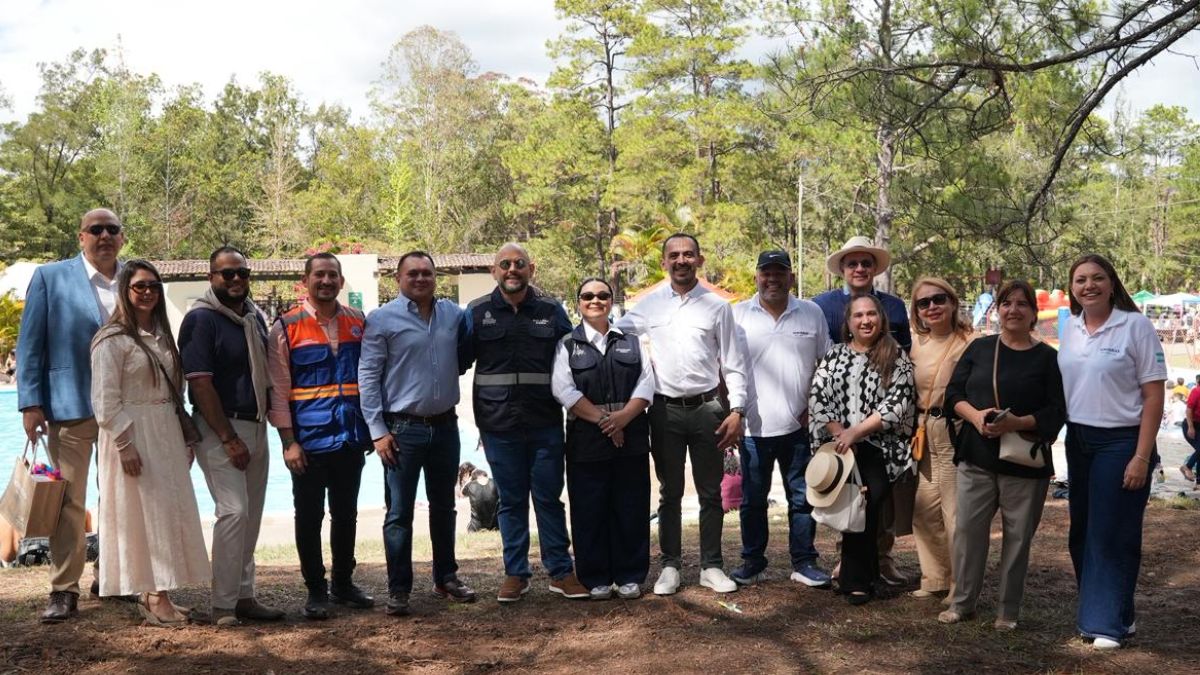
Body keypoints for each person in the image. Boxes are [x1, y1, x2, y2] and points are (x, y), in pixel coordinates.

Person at [615, 233, 749, 595]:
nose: (681, 261)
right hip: (663, 410)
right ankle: (670, 565)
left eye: (688, 255)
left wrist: (737, 410)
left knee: (710, 492)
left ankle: (711, 565)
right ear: (664, 263)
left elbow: (734, 362)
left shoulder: (717, 306)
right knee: (669, 491)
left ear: (699, 260)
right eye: (674, 255)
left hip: (708, 408)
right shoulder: (649, 306)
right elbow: (614, 337)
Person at [460, 243, 588, 602]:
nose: (512, 269)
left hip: (545, 423)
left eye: (519, 264)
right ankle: (516, 574)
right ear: (494, 271)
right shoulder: (477, 312)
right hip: (498, 426)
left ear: (531, 269)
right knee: (512, 501)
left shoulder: (551, 312)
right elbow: (455, 360)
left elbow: (573, 362)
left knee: (548, 498)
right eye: (505, 264)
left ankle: (561, 571)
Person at [16, 208, 124, 623]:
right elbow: (30, 344)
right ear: (81, 236)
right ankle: (64, 589)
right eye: (95, 229)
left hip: (123, 410)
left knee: (119, 498)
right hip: (69, 404)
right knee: (69, 502)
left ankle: (113, 577)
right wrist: (31, 403)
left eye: (111, 229)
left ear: (122, 237)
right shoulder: (51, 277)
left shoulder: (135, 279)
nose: (103, 236)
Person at [938, 280, 1065, 630]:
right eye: (1006, 303)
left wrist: (1016, 422)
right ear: (997, 311)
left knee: (1018, 537)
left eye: (1022, 304)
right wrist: (977, 417)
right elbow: (952, 395)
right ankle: (963, 602)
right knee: (967, 532)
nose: (1013, 310)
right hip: (977, 457)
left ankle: (1008, 609)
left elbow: (1057, 411)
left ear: (1033, 314)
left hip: (1024, 464)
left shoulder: (1048, 359)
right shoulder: (980, 349)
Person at [90, 260, 210, 625]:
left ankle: (161, 591)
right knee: (141, 514)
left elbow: (175, 391)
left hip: (165, 431)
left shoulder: (162, 335)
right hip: (133, 433)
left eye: (153, 286)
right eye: (139, 286)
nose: (147, 292)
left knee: (167, 509)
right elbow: (105, 399)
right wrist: (125, 445)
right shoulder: (111, 340)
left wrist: (183, 438)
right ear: (125, 291)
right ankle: (153, 595)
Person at [1058, 254, 1166, 650]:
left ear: (1112, 283)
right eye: (1081, 279)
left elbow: (1154, 395)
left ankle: (1103, 625)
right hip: (1079, 440)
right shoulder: (1070, 328)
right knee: (1081, 533)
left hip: (1122, 441)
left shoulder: (1134, 326)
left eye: (1097, 278)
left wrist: (1141, 456)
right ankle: (1119, 612)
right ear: (1072, 287)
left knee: (1111, 534)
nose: (1089, 285)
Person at [360, 251, 476, 616]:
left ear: (435, 277)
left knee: (445, 507)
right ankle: (399, 589)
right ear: (398, 278)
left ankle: (446, 577)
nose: (421, 278)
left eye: (427, 273)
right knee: (399, 513)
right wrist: (378, 431)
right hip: (402, 430)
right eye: (413, 273)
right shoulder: (381, 319)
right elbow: (368, 377)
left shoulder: (453, 315)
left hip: (445, 426)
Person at [179, 246, 283, 627]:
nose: (236, 279)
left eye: (242, 272)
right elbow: (200, 384)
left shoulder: (252, 317)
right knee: (233, 511)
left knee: (251, 517)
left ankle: (244, 596)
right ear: (211, 278)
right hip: (220, 429)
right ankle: (222, 605)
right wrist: (227, 437)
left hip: (256, 425)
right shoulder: (201, 320)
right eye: (227, 274)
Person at [267, 253, 374, 620]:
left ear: (341, 282)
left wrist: (372, 431)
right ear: (306, 281)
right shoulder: (286, 327)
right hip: (309, 443)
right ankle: (316, 589)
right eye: (319, 275)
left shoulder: (359, 323)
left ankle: (343, 584)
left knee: (346, 515)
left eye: (332, 275)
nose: (326, 281)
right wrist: (288, 442)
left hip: (349, 438)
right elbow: (278, 390)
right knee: (309, 517)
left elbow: (371, 381)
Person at [811, 235, 913, 587]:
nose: (865, 320)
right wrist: (840, 432)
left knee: (876, 503)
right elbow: (819, 395)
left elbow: (900, 396)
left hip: (880, 442)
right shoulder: (825, 320)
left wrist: (859, 431)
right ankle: (855, 575)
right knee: (850, 503)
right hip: (842, 441)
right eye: (851, 263)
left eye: (865, 263)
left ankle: (876, 566)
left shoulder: (895, 332)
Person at [730, 250, 833, 588]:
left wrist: (815, 409)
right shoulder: (737, 315)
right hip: (752, 428)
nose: (772, 279)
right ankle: (753, 561)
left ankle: (803, 562)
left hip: (798, 427)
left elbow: (826, 367)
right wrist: (732, 412)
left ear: (791, 276)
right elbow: (724, 368)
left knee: (802, 499)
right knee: (752, 501)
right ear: (757, 276)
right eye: (766, 272)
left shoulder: (811, 313)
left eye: (780, 272)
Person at [552, 277, 655, 600]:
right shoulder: (568, 344)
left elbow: (646, 383)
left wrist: (623, 418)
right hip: (587, 439)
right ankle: (595, 576)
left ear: (612, 300)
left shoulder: (632, 341)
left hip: (632, 436)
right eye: (587, 296)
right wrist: (607, 422)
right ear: (578, 302)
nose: (595, 300)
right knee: (589, 508)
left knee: (631, 506)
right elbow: (563, 389)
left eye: (602, 295)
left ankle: (629, 574)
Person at [907, 278, 974, 601]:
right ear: (916, 311)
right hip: (921, 430)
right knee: (924, 509)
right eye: (924, 303)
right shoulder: (914, 343)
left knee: (955, 512)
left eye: (939, 299)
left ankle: (961, 585)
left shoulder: (970, 342)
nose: (932, 307)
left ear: (952, 302)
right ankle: (934, 577)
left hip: (953, 431)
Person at [458, 463, 499, 532]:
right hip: (495, 526)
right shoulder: (495, 482)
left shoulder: (471, 485)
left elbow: (461, 494)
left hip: (475, 528)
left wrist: (469, 480)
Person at [1182, 374, 1200, 485]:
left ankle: (1198, 482)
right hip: (1191, 425)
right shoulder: (1196, 391)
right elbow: (1189, 409)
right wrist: (1190, 427)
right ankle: (1187, 466)